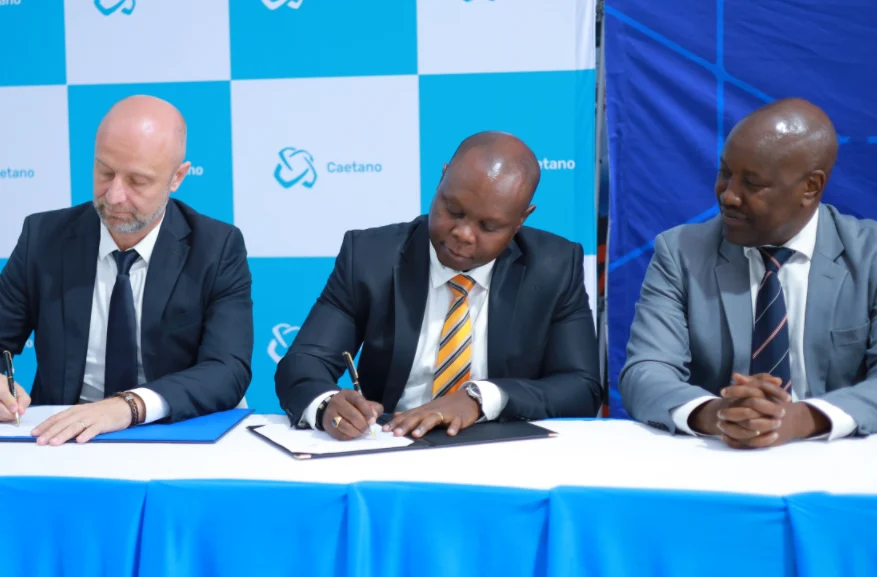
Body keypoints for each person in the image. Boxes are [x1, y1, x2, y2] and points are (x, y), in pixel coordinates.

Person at [275, 131, 601, 440]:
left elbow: (580, 387)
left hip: (502, 449)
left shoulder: (553, 266)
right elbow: (304, 362)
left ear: (521, 219)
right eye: (453, 210)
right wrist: (327, 405)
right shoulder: (370, 256)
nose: (463, 233)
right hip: (391, 446)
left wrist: (479, 399)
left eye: (489, 226)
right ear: (442, 178)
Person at [620, 98, 877, 449]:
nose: (728, 196)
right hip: (720, 458)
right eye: (725, 173)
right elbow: (645, 372)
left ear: (811, 187)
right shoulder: (681, 253)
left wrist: (800, 419)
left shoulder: (870, 255)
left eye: (752, 184)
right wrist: (718, 414)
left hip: (840, 461)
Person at [0, 95, 254, 445]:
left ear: (177, 177)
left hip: (170, 430)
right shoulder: (44, 238)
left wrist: (128, 406)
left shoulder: (216, 247)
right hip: (62, 437)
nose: (115, 195)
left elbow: (227, 370)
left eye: (137, 181)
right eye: (105, 172)